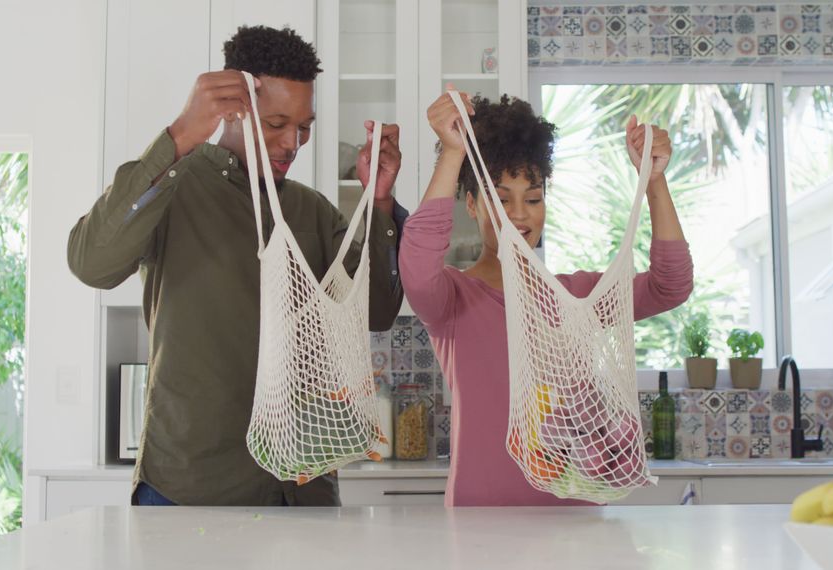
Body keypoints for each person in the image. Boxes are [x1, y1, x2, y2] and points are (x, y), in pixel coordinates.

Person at [68, 25, 407, 507]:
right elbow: (90, 263)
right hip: (190, 488)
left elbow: (376, 311)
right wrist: (179, 135)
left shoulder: (312, 211)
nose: (293, 143)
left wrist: (379, 202)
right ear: (232, 107)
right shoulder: (172, 188)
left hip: (303, 490)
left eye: (304, 126)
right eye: (276, 124)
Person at [398, 90, 694, 506]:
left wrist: (655, 182)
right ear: (471, 203)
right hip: (480, 521)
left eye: (533, 198)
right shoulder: (450, 298)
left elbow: (670, 285)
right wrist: (452, 153)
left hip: (573, 521)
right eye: (501, 199)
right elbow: (416, 262)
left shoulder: (574, 298)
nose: (519, 215)